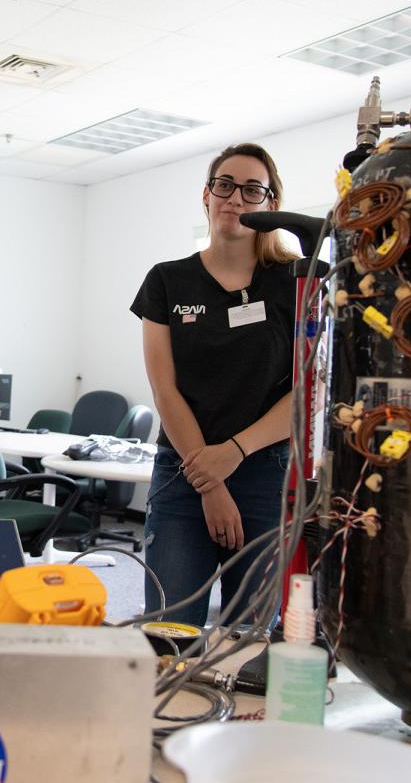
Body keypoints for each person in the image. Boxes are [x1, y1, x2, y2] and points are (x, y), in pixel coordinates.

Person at [131, 143, 297, 628]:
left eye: (252, 190)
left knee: (250, 638)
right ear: (206, 195)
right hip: (185, 472)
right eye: (225, 186)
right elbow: (165, 390)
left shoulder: (295, 282)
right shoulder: (166, 281)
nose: (235, 199)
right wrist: (210, 480)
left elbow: (306, 390)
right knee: (170, 632)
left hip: (266, 471)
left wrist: (236, 452)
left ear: (271, 204)